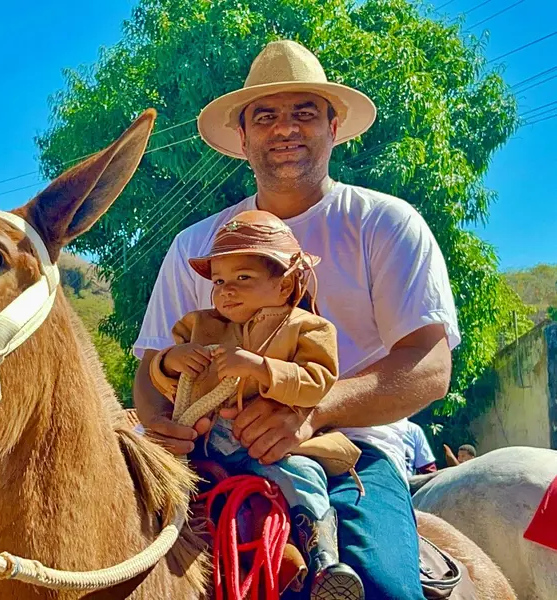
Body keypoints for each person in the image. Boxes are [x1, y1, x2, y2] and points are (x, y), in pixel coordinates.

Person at [133, 39, 458, 598]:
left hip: (349, 447)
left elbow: (429, 368)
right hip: (209, 448)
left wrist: (308, 413)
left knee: (382, 588)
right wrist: (162, 422)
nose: (285, 128)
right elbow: (150, 365)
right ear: (243, 137)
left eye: (305, 112)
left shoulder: (385, 223)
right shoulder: (195, 244)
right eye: (266, 116)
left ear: (334, 127)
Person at [149, 209, 364, 597]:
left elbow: (317, 383)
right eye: (219, 281)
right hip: (203, 443)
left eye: (243, 278)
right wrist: (170, 362)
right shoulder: (196, 325)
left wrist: (262, 369)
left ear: (284, 286)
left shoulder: (310, 328)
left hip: (271, 450)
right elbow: (164, 376)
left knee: (302, 475)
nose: (226, 290)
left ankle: (324, 559)